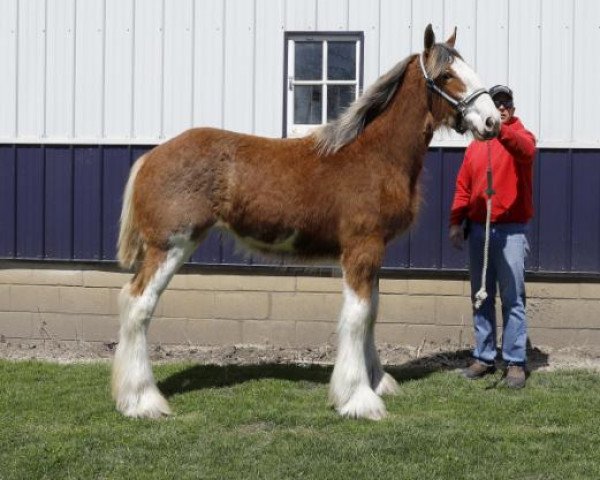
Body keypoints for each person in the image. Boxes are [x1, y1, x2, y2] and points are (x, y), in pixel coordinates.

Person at [449, 85, 536, 388]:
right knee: (481, 298)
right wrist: (456, 222)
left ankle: (515, 361)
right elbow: (463, 186)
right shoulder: (475, 146)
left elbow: (526, 151)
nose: (501, 108)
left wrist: (501, 132)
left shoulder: (520, 135)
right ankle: (484, 356)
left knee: (513, 299)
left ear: (512, 108)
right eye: (496, 103)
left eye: (506, 103)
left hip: (510, 231)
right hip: (479, 232)